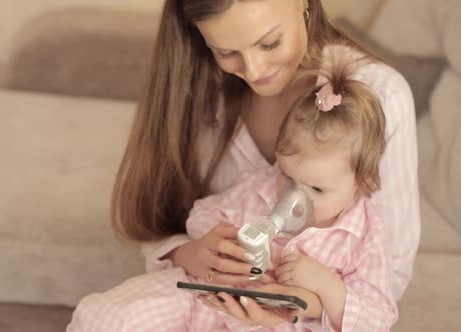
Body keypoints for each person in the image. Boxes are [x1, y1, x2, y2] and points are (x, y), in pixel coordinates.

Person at [67, 0, 419, 330]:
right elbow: (166, 221)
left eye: (269, 43)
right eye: (227, 52)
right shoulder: (197, 91)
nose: (254, 70)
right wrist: (195, 253)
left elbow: (386, 285)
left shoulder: (381, 97)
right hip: (209, 301)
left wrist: (306, 303)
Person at [185, 56, 397, 331]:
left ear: (362, 182)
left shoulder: (366, 237)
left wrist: (326, 286)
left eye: (317, 189)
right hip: (215, 312)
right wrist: (226, 243)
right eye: (288, 178)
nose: (295, 199)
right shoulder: (259, 188)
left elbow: (378, 320)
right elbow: (199, 216)